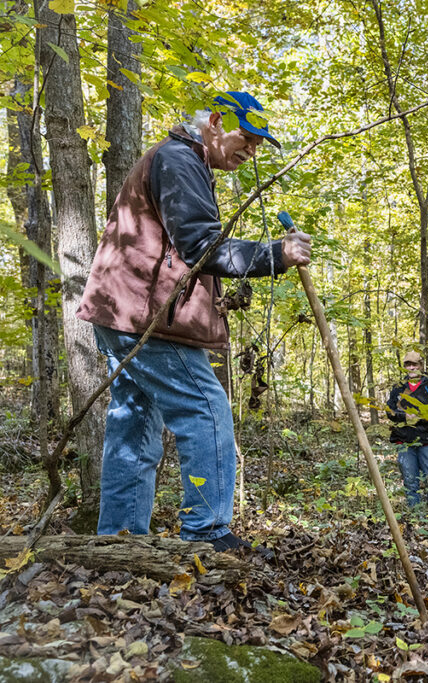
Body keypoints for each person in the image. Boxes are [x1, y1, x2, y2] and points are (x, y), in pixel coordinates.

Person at [77, 91, 312, 551]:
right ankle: (207, 534)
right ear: (217, 123)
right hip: (144, 316)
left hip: (124, 312)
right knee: (206, 409)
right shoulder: (180, 161)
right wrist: (275, 255)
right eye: (247, 137)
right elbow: (201, 245)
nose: (252, 150)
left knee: (135, 426)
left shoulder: (182, 162)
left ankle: (120, 544)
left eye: (259, 144)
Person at [386, 350, 428, 510]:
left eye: (415, 364)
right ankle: (415, 517)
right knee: (409, 480)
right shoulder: (398, 388)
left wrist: (422, 416)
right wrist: (404, 416)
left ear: (421, 366)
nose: (412, 368)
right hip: (404, 440)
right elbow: (389, 411)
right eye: (408, 364)